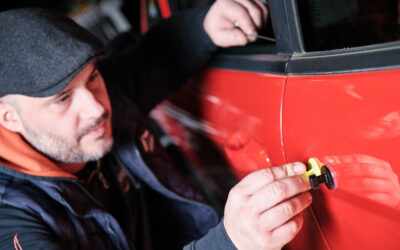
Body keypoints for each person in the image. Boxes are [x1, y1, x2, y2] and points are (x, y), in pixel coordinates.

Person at [0, 0, 311, 249]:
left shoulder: (101, 93)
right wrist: (228, 243)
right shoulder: (11, 222)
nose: (96, 107)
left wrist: (206, 24)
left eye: (93, 77)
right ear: (7, 116)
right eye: (62, 99)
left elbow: (158, 57)